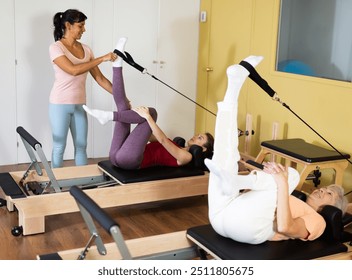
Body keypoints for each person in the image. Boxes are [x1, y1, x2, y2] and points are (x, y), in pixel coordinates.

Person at [204, 55, 348, 244]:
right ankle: (234, 84)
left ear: (333, 209)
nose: (321, 190)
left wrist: (282, 183)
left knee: (292, 176)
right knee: (225, 154)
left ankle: (235, 180)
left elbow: (285, 228)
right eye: (324, 188)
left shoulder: (318, 221)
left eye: (329, 193)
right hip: (221, 213)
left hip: (247, 228)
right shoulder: (294, 199)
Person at [83, 37, 214, 170]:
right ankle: (117, 63)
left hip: (128, 160)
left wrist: (148, 118)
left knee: (152, 113)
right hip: (118, 155)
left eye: (200, 138)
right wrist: (132, 115)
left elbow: (162, 139)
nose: (196, 135)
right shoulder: (177, 145)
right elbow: (149, 136)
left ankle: (110, 116)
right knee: (124, 108)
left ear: (203, 149)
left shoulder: (186, 157)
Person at [49, 9, 118, 168]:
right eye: (80, 26)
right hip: (59, 104)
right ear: (68, 25)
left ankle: (83, 184)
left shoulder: (86, 49)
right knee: (59, 147)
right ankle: (56, 186)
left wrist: (121, 96)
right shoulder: (56, 47)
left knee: (81, 146)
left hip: (80, 105)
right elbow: (73, 70)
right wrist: (102, 58)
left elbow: (100, 78)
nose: (84, 30)